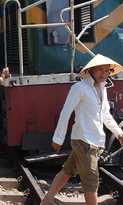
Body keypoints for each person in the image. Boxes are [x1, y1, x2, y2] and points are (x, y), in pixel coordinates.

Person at [40, 54, 123, 205]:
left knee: (67, 171)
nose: (104, 74)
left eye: (107, 71)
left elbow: (105, 115)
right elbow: (66, 111)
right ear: (91, 70)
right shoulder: (80, 88)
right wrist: (58, 138)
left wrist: (118, 133)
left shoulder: (102, 89)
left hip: (95, 140)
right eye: (100, 70)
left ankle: (47, 200)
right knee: (91, 179)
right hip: (84, 140)